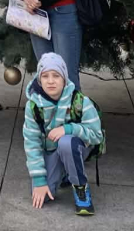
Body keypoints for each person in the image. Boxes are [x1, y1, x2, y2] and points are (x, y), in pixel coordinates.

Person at [23, 52, 104, 216]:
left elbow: (96, 135)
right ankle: (65, 171)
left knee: (66, 142)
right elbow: (32, 143)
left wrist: (68, 129)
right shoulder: (33, 106)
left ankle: (81, 188)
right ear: (39, 79)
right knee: (44, 196)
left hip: (76, 147)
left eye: (56, 76)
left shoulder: (80, 101)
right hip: (51, 151)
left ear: (64, 79)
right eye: (45, 76)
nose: (50, 81)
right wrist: (39, 180)